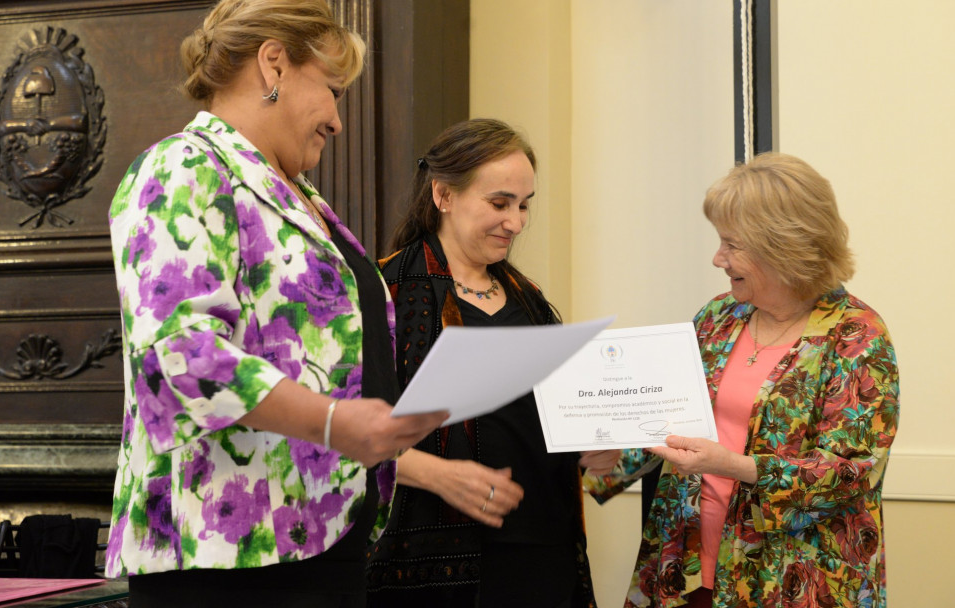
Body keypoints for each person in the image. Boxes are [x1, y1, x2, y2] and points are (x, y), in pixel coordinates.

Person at [104, 1, 447, 606]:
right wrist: (336, 423)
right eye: (333, 90)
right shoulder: (183, 165)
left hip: (319, 544)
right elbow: (181, 358)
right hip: (225, 562)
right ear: (273, 65)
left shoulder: (298, 194)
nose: (338, 120)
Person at [587, 152, 899, 608]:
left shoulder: (857, 336)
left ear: (782, 247)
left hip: (794, 577)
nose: (718, 258)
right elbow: (669, 415)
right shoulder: (718, 318)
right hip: (687, 565)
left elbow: (852, 470)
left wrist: (735, 465)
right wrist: (609, 457)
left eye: (731, 244)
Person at [366, 118, 619, 608]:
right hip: (429, 568)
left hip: (544, 551)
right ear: (443, 195)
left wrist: (591, 449)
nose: (517, 222)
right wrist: (439, 474)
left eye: (523, 205)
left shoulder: (530, 300)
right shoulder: (385, 293)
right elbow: (346, 432)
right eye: (499, 203)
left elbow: (547, 417)